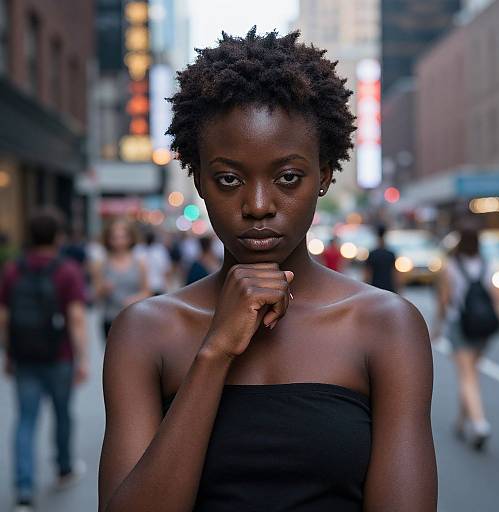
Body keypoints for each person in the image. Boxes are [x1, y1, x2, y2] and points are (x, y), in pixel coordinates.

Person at [99, 28, 437, 511]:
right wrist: (214, 352)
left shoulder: (386, 326)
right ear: (198, 180)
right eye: (230, 179)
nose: (258, 206)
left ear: (323, 176)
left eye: (288, 177)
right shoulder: (146, 332)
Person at [0, 208, 89, 512]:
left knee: (25, 420)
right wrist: (83, 359)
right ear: (58, 236)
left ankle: (24, 492)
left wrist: (8, 352)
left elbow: (4, 317)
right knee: (63, 413)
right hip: (59, 355)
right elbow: (76, 318)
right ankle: (64, 468)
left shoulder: (13, 269)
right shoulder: (67, 271)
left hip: (24, 355)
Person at [435, 226, 499, 450]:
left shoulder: (451, 267)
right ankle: (462, 422)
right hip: (483, 330)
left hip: (460, 326)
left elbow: (444, 301)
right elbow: (497, 300)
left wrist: (438, 327)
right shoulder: (487, 266)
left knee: (467, 376)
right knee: (471, 374)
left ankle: (479, 424)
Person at [91, 219, 150, 341]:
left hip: (135, 318)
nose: (119, 241)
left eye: (123, 237)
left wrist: (134, 299)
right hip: (110, 319)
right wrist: (103, 289)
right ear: (108, 239)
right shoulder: (101, 264)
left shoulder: (140, 263)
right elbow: (94, 295)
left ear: (130, 238)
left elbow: (147, 292)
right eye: (114, 237)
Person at [134, 230, 172, 296]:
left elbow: (166, 269)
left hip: (158, 286)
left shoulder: (160, 249)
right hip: (143, 288)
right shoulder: (138, 249)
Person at [364, 224, 398, 293]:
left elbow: (367, 274)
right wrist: (398, 288)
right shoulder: (391, 254)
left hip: (375, 288)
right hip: (389, 289)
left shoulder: (372, 254)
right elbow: (395, 274)